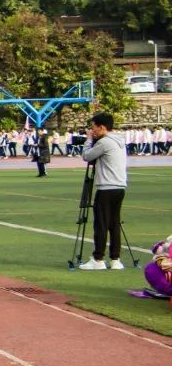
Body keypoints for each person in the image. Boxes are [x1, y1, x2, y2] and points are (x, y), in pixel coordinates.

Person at [79, 112, 128, 270]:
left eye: (93, 127)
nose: (92, 130)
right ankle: (115, 259)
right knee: (114, 224)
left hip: (106, 187)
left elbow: (87, 156)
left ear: (102, 127)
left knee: (101, 224)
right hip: (119, 187)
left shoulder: (105, 142)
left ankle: (98, 259)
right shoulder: (119, 140)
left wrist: (88, 140)